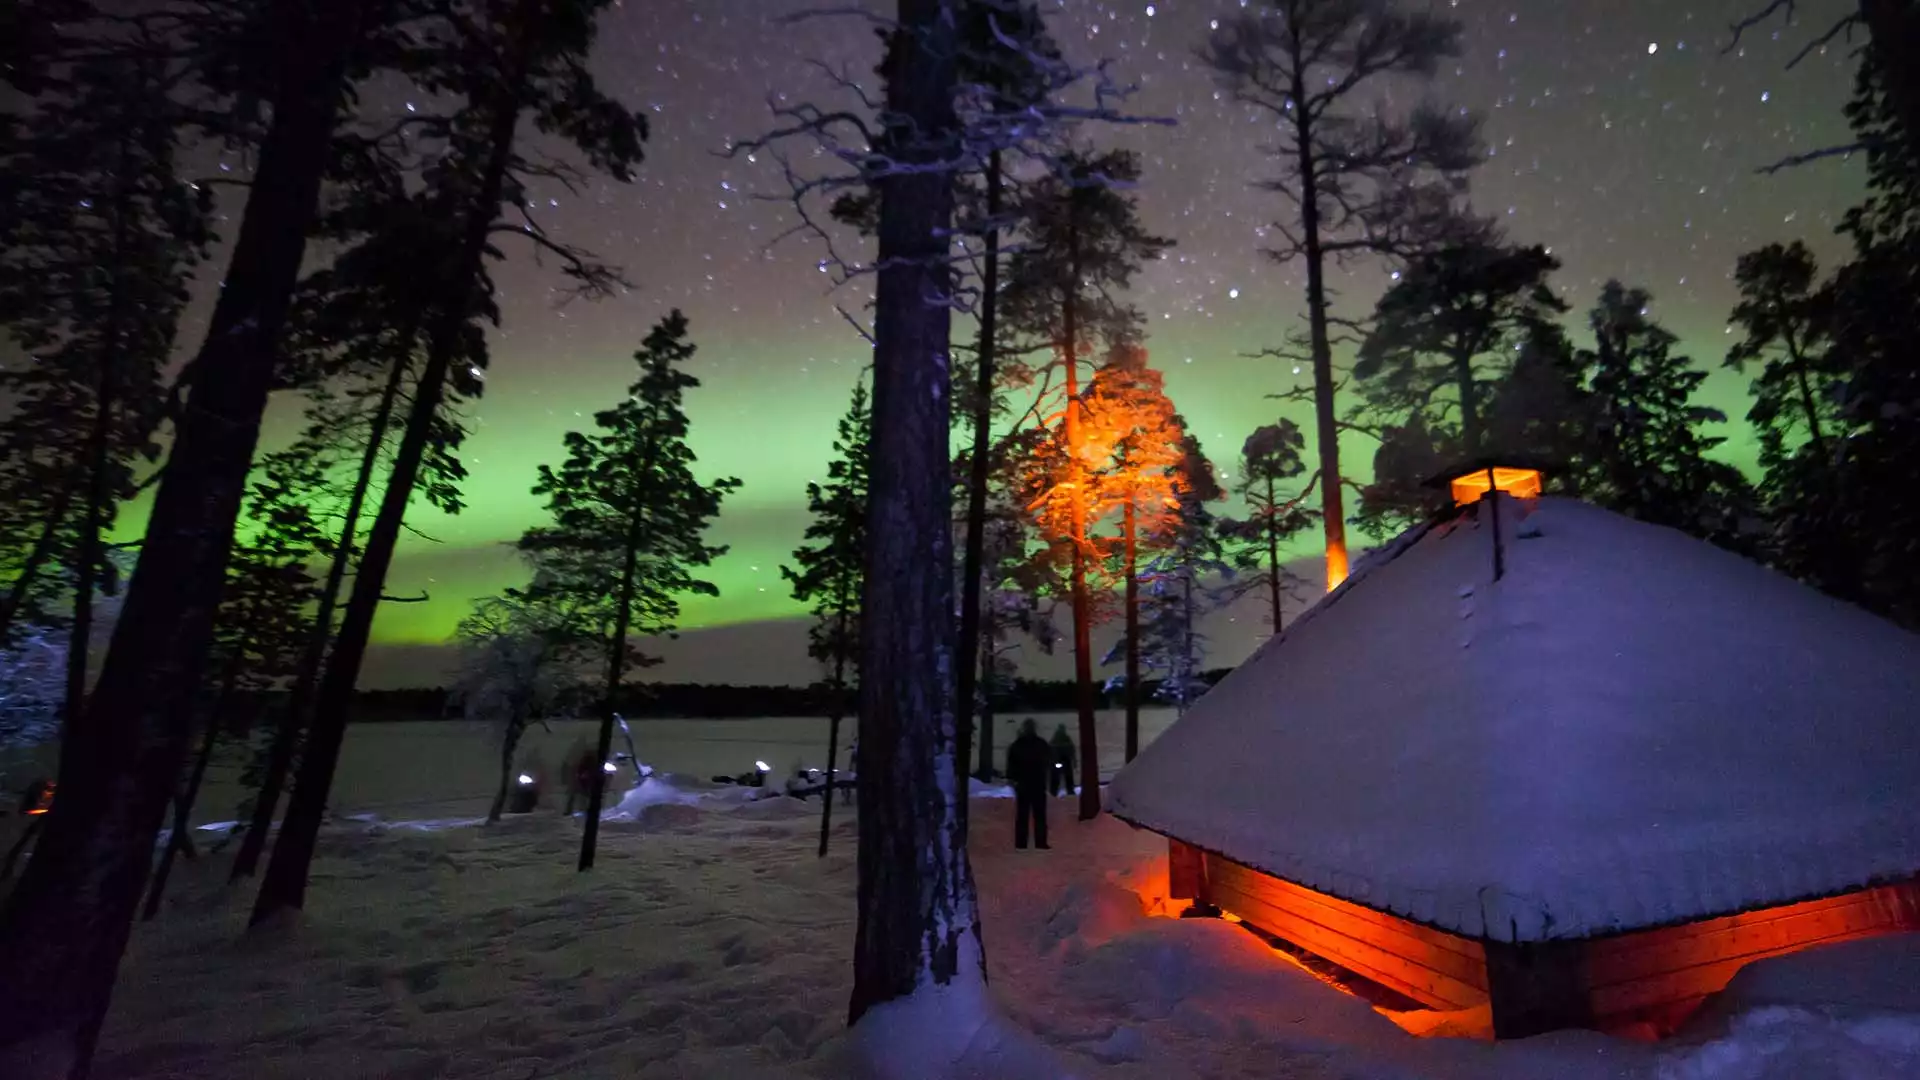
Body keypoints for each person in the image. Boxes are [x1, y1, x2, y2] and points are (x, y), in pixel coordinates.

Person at [1006, 719, 1052, 850]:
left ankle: (1021, 843)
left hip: (1023, 784)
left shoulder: (1017, 745)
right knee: (1040, 815)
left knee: (1022, 815)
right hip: (1038, 783)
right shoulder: (1041, 744)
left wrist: (1012, 778)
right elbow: (1049, 760)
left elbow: (1011, 764)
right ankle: (1040, 842)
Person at [1048, 723, 1077, 797]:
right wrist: (1074, 761)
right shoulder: (1067, 739)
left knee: (1056, 777)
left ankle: (1053, 791)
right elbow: (1072, 751)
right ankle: (1070, 791)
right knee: (1068, 777)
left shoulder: (1054, 739)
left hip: (1057, 762)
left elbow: (1050, 751)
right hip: (1065, 762)